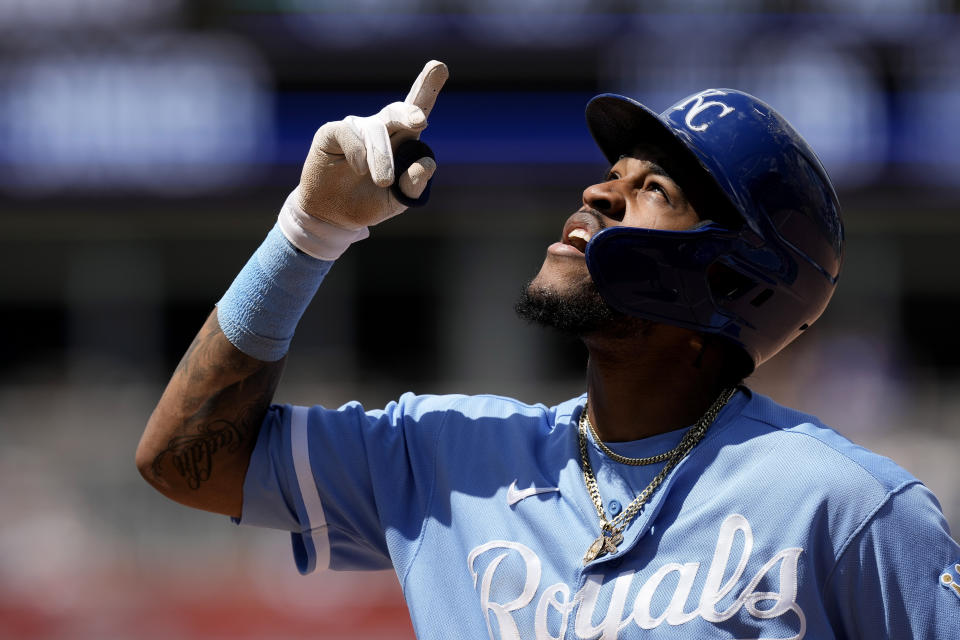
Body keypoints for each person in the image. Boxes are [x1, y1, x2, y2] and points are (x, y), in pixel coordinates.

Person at [136, 60, 960, 638]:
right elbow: (183, 461)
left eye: (654, 190)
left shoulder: (845, 506)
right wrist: (308, 233)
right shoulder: (448, 455)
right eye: (613, 172)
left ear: (729, 278)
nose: (598, 190)